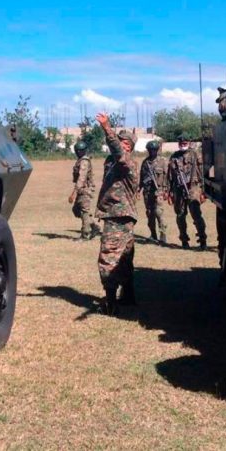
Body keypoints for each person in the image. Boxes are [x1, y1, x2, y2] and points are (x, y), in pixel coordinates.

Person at [94, 113, 139, 314]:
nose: (120, 145)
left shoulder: (126, 161)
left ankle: (110, 302)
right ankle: (128, 295)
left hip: (118, 216)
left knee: (109, 257)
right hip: (121, 215)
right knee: (126, 256)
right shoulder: (113, 161)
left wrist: (106, 127)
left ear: (129, 146)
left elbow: (117, 150)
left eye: (123, 143)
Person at [168, 135, 207, 250]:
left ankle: (202, 240)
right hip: (178, 190)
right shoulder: (174, 157)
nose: (183, 145)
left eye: (185, 143)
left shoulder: (195, 155)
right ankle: (184, 240)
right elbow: (170, 177)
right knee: (180, 216)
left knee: (196, 215)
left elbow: (202, 174)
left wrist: (203, 192)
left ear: (189, 143)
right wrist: (170, 192)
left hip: (193, 188)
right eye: (181, 143)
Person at [138, 140, 169, 245]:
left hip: (158, 191)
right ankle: (153, 234)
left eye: (154, 150)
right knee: (149, 213)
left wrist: (167, 191)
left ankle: (163, 235)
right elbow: (141, 178)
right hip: (147, 192)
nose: (152, 152)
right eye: (150, 150)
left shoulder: (163, 161)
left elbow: (168, 177)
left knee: (159, 213)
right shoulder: (145, 162)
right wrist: (139, 190)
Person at [68, 140, 100, 240]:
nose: (78, 152)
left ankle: (85, 234)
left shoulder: (84, 162)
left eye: (80, 151)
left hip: (85, 189)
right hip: (81, 189)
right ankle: (94, 227)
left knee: (84, 211)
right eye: (77, 150)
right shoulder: (80, 160)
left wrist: (73, 193)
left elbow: (81, 178)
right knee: (77, 210)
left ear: (84, 151)